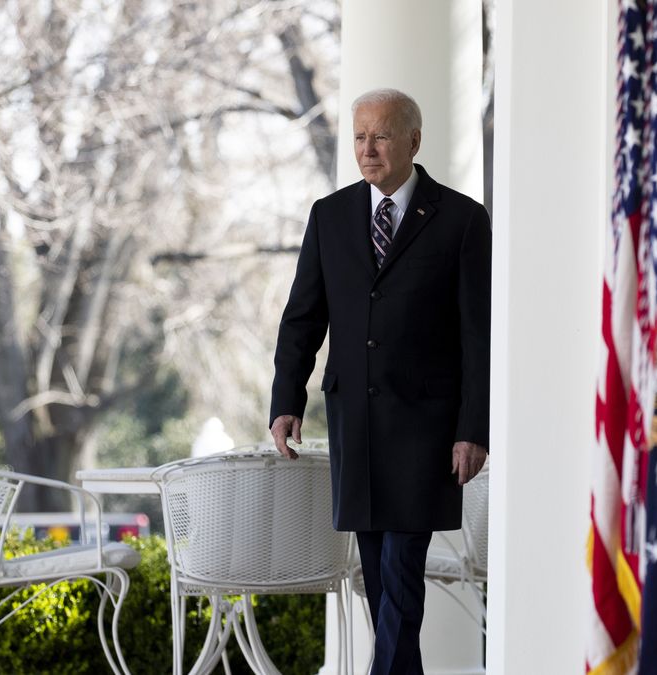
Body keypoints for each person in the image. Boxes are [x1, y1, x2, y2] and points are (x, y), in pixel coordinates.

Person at [269, 88, 490, 675]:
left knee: (400, 569)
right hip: (357, 425)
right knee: (379, 576)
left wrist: (474, 428)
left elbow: (478, 335)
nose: (368, 149)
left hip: (427, 428)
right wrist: (286, 400)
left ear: (414, 141)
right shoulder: (330, 216)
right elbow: (303, 318)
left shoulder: (463, 219)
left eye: (382, 136)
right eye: (360, 136)